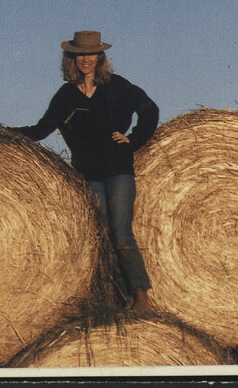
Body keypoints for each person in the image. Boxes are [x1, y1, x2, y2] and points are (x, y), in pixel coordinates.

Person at [14, 30, 159, 311]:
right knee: (102, 236)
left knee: (121, 234)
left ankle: (142, 295)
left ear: (100, 56)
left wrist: (134, 139)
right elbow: (41, 129)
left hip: (117, 169)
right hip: (87, 174)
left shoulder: (117, 86)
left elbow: (149, 109)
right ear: (72, 58)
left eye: (91, 54)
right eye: (80, 54)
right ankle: (124, 297)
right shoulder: (66, 96)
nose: (86, 59)